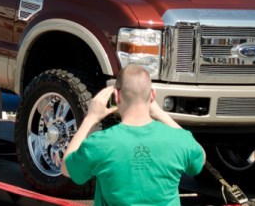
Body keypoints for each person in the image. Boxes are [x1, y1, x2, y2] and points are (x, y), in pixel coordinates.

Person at [61, 64, 205, 206]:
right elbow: (200, 159)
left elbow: (67, 169)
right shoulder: (180, 139)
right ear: (152, 95)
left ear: (116, 96)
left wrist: (90, 118)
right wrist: (161, 114)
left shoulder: (100, 143)